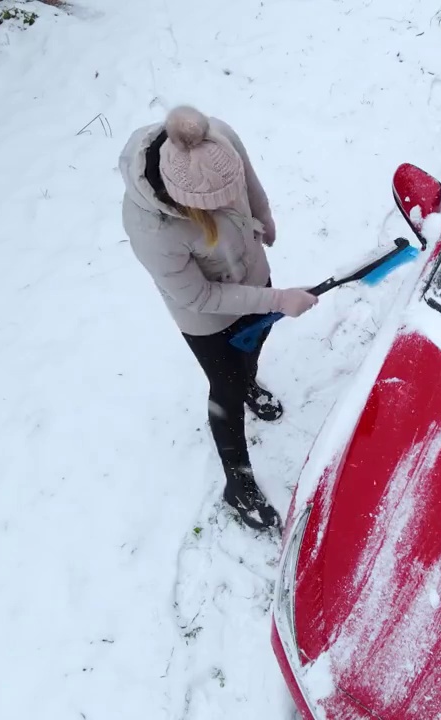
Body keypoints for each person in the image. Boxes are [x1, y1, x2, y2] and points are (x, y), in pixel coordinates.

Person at [118, 105, 317, 530]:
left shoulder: (215, 139)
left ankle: (249, 380)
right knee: (224, 386)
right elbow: (200, 295)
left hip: (252, 274)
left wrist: (263, 218)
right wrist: (278, 300)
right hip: (205, 317)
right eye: (216, 204)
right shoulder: (151, 228)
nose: (231, 202)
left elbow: (250, 182)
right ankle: (238, 485)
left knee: (256, 342)